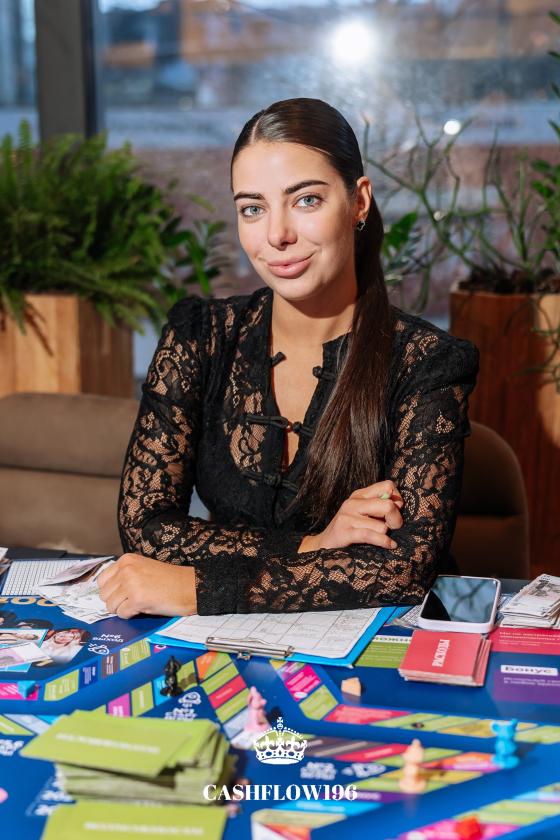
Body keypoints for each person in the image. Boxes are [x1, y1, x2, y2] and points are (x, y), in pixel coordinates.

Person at [98, 98, 479, 619]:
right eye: (252, 209)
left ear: (359, 201)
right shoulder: (199, 337)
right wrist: (313, 546)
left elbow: (403, 568)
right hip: (230, 648)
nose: (277, 235)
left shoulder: (427, 362)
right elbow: (144, 527)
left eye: (306, 200)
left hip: (379, 645)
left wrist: (197, 589)